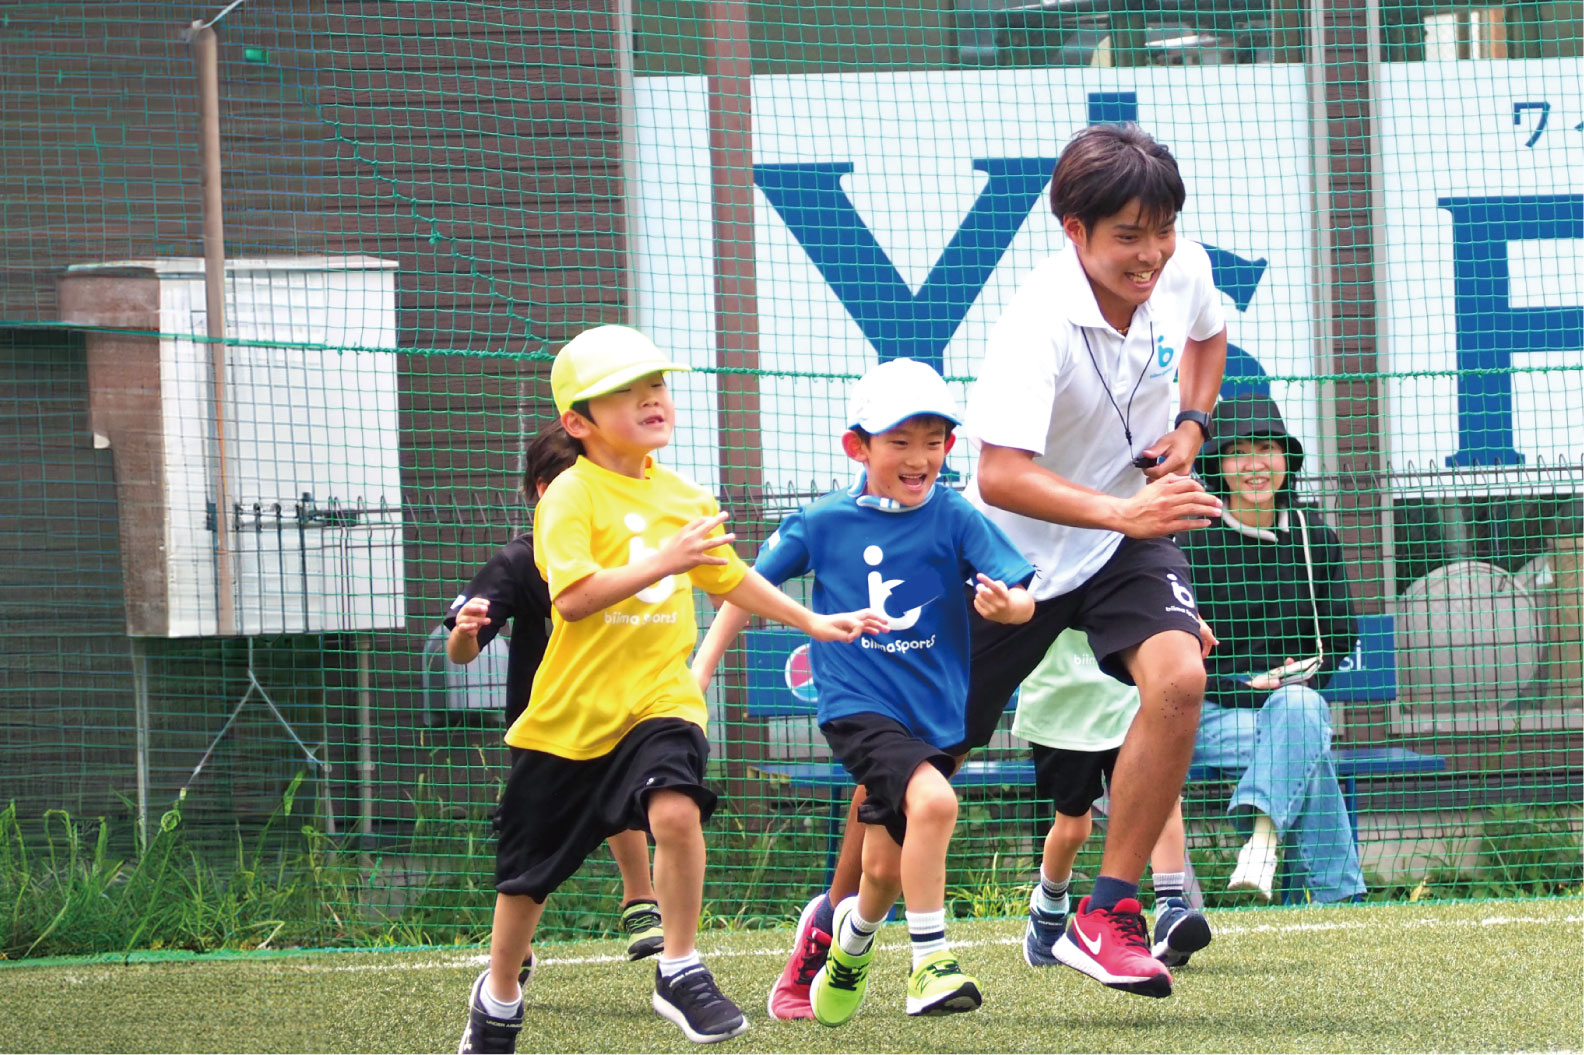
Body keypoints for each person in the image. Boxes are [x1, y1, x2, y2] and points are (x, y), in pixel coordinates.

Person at [764, 121, 1227, 1007]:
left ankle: (1109, 911)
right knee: (909, 786)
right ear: (1074, 232)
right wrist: (1122, 507)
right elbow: (1002, 475)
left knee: (1178, 680)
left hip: (1125, 536)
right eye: (1128, 235)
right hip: (1006, 567)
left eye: (1161, 228)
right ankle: (830, 923)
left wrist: (1193, 425)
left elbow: (1210, 337)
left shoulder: (1183, 269)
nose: (1152, 253)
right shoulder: (1035, 325)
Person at [456, 324, 886, 1052]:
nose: (652, 399)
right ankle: (498, 1000)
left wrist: (814, 618)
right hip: (570, 718)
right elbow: (574, 598)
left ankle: (679, 967)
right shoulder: (568, 495)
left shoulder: (686, 496)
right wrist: (664, 559)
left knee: (678, 809)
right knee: (525, 881)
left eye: (656, 385)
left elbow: (730, 578)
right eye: (626, 392)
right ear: (577, 422)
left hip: (661, 699)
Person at [691, 357, 1036, 1025]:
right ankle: (931, 961)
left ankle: (845, 945)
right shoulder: (823, 523)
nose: (919, 457)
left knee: (880, 869)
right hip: (857, 706)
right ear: (859, 446)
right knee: (934, 802)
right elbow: (741, 586)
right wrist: (698, 676)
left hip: (935, 717)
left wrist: (1010, 609)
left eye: (932, 440)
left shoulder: (956, 515)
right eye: (900, 441)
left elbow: (1018, 592)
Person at [444, 420, 664, 965]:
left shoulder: (625, 548)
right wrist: (465, 633)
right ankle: (510, 956)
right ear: (546, 490)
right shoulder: (519, 561)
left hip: (619, 708)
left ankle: (641, 898)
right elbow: (461, 652)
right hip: (545, 723)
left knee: (630, 789)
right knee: (531, 842)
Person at [1180, 391, 1365, 903]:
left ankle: (1261, 847)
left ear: (1287, 460)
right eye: (1239, 451)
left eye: (1268, 448)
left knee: (1302, 709)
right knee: (1310, 749)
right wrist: (1242, 684)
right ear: (1219, 464)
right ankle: (1341, 897)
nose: (1255, 465)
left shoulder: (1313, 538)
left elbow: (1339, 633)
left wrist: (1299, 675)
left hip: (1290, 705)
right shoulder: (1190, 539)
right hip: (1211, 711)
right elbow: (1172, 650)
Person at [1013, 629, 1211, 971]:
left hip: (1129, 699)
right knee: (1073, 828)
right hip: (1063, 706)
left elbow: (1155, 588)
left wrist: (1188, 620)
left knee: (1161, 801)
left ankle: (1170, 908)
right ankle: (1049, 905)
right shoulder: (1038, 576)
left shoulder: (1128, 577)